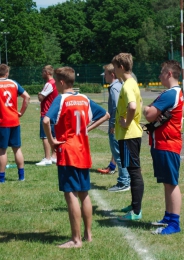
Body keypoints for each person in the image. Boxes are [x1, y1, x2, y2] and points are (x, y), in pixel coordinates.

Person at [43, 66, 110, 248]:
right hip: (83, 150)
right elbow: (105, 115)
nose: (56, 85)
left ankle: (76, 240)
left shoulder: (61, 99)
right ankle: (88, 235)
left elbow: (46, 120)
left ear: (62, 82)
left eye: (57, 82)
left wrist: (52, 140)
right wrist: (86, 129)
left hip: (68, 151)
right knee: (84, 194)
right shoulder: (84, 98)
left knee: (71, 194)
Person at [143, 60, 184, 235]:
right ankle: (168, 217)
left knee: (171, 184)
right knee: (167, 183)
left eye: (161, 72)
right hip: (164, 143)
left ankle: (174, 223)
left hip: (167, 144)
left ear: (169, 74)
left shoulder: (169, 94)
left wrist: (145, 108)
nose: (159, 76)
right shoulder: (173, 93)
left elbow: (150, 115)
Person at [0, 64, 30, 184]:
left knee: (2, 151)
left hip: (2, 122)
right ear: (7, 73)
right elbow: (27, 97)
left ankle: (1, 178)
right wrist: (21, 112)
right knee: (17, 149)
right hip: (14, 120)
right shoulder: (13, 83)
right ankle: (21, 177)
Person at [111, 53, 144, 221]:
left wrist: (127, 122)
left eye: (115, 67)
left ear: (121, 67)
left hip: (129, 135)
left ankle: (136, 212)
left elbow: (132, 106)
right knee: (132, 172)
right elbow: (139, 103)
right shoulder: (131, 83)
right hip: (129, 134)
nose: (113, 70)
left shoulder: (127, 86)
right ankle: (134, 205)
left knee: (134, 172)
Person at [97, 63, 131, 192]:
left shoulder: (114, 88)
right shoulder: (119, 86)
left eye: (105, 74)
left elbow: (117, 107)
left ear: (112, 74)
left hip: (116, 125)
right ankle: (126, 180)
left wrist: (113, 125)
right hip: (119, 124)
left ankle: (123, 182)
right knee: (121, 153)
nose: (104, 76)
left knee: (118, 154)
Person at [36, 65, 58, 166]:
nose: (41, 74)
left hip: (47, 113)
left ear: (47, 73)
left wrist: (39, 93)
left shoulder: (49, 84)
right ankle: (54, 156)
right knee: (54, 135)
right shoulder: (55, 83)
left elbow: (41, 97)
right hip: (54, 112)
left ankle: (47, 158)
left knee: (45, 136)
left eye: (43, 72)